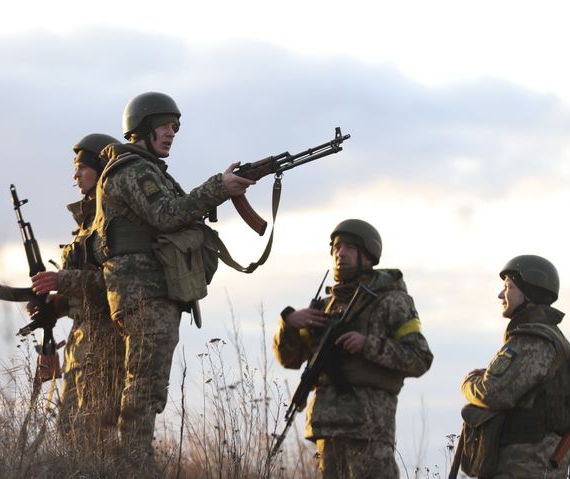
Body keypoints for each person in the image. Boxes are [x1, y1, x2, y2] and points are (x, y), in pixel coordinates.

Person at [90, 91, 255, 470]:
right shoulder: (131, 170)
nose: (171, 132)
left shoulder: (149, 170)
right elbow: (166, 215)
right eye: (165, 125)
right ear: (143, 127)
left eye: (176, 127)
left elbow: (176, 214)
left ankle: (134, 461)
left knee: (148, 383)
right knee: (144, 384)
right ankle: (133, 465)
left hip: (152, 289)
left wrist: (223, 188)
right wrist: (218, 187)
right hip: (142, 291)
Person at [273, 219, 434, 478]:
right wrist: (289, 324)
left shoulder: (392, 301)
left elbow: (419, 358)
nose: (340, 253)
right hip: (327, 426)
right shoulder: (324, 307)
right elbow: (289, 359)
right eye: (336, 247)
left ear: (368, 255)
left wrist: (367, 345)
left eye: (349, 247)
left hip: (369, 428)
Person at [29, 133, 126, 453]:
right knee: (70, 430)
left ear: (101, 170)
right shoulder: (87, 225)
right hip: (81, 342)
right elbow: (84, 289)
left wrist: (62, 279)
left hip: (106, 343)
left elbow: (113, 282)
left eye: (82, 168)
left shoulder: (113, 222)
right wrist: (56, 305)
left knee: (93, 433)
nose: (76, 175)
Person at [459, 255, 570, 478]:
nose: (501, 294)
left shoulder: (532, 339)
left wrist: (469, 383)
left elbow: (493, 392)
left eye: (509, 287)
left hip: (524, 465)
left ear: (529, 292)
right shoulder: (542, 337)